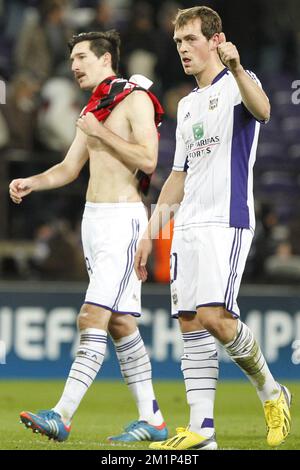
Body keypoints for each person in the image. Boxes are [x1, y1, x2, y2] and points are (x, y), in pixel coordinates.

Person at [134, 6, 292, 450]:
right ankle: (203, 432)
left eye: (191, 40)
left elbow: (263, 111)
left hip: (227, 220)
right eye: (179, 42)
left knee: (215, 318)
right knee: (190, 323)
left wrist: (238, 67)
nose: (183, 49)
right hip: (187, 225)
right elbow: (177, 178)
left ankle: (271, 390)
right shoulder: (186, 105)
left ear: (216, 40)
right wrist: (151, 232)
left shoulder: (241, 84)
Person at [9, 30, 168, 443]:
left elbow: (149, 158)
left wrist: (101, 134)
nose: (74, 65)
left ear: (105, 59)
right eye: (72, 59)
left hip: (123, 220)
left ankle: (62, 414)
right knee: (119, 324)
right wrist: (33, 181)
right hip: (94, 219)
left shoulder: (134, 99)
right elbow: (69, 167)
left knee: (91, 316)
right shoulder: (95, 106)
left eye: (82, 57)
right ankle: (152, 418)